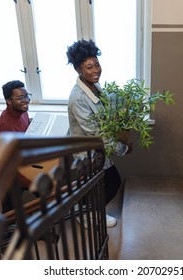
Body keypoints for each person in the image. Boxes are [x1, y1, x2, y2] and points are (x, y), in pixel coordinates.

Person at [66, 39, 133, 227]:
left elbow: (103, 116)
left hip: (99, 151)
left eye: (97, 64)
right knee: (110, 183)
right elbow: (97, 133)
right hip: (86, 153)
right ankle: (87, 215)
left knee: (108, 184)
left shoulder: (94, 86)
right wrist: (123, 149)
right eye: (89, 67)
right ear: (79, 70)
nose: (95, 70)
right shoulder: (78, 98)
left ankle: (88, 211)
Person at [0, 80, 33, 212]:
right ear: (9, 101)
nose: (26, 100)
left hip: (23, 166)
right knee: (10, 215)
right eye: (20, 98)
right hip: (10, 175)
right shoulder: (4, 127)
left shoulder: (23, 112)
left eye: (27, 96)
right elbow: (8, 163)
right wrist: (30, 181)